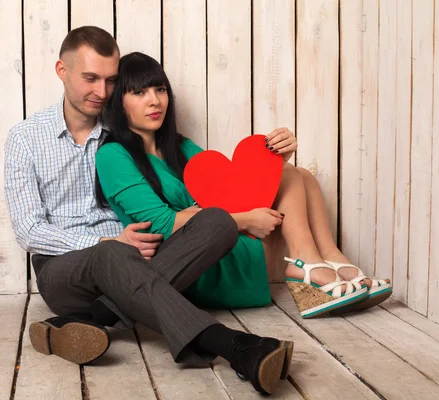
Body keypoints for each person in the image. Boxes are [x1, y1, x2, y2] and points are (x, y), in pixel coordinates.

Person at [4, 26, 294, 395]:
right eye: (90, 78)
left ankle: (96, 317)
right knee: (110, 252)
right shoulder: (26, 138)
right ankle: (236, 347)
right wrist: (106, 239)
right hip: (65, 266)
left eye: (110, 81)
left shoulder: (122, 133)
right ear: (62, 71)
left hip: (139, 259)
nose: (101, 92)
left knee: (218, 222)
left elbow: (195, 189)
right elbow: (28, 230)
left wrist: (271, 156)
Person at [95, 52, 392, 320]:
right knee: (289, 177)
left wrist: (276, 157)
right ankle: (307, 266)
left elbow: (235, 189)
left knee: (300, 175)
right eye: (139, 92)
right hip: (193, 264)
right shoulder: (113, 155)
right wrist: (245, 219)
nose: (154, 100)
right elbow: (162, 223)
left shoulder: (180, 147)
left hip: (222, 241)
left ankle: (332, 260)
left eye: (159, 89)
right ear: (118, 102)